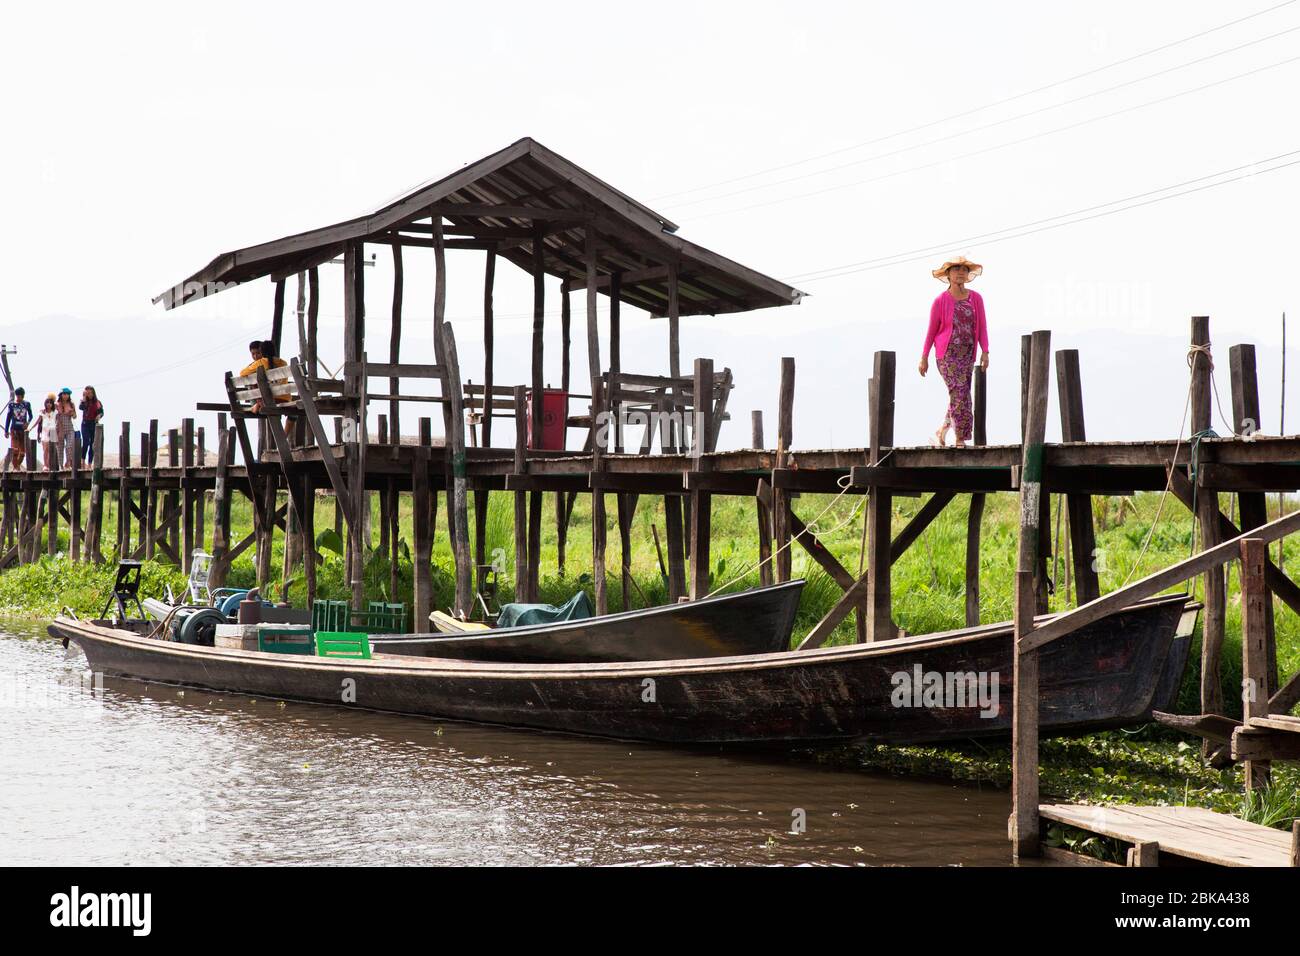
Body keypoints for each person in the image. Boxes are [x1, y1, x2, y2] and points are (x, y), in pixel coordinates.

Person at [918, 256, 990, 448]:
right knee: (960, 393)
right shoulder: (940, 301)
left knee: (960, 394)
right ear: (948, 275)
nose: (960, 272)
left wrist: (985, 351)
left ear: (968, 275)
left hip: (967, 355)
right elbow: (931, 331)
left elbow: (982, 326)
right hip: (947, 356)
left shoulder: (976, 298)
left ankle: (942, 431)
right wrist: (924, 357)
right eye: (956, 269)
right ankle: (960, 437)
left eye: (964, 269)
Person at [3, 387, 33, 470]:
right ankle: (15, 467)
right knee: (15, 449)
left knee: (23, 451)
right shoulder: (12, 404)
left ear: (23, 396)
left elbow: (31, 416)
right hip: (14, 430)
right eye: (17, 396)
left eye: (20, 396)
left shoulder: (27, 404)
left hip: (23, 430)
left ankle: (18, 465)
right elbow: (8, 418)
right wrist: (6, 430)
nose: (18, 398)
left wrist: (28, 423)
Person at [79, 386, 104, 464]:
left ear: (93, 393)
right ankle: (82, 460)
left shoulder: (97, 402)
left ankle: (90, 463)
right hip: (85, 424)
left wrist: (99, 416)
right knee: (86, 442)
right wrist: (84, 398)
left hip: (94, 424)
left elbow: (101, 412)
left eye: (90, 393)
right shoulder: (84, 401)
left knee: (93, 444)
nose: (89, 395)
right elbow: (81, 407)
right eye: (87, 393)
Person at [36, 393, 60, 471]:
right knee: (45, 449)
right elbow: (38, 421)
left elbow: (58, 421)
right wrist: (30, 428)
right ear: (45, 403)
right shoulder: (42, 412)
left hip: (53, 431)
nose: (49, 404)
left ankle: (51, 464)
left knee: (52, 449)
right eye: (47, 402)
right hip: (44, 431)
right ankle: (45, 465)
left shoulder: (55, 411)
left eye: (51, 402)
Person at [56, 388, 77, 467]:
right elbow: (56, 417)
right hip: (59, 427)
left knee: (69, 446)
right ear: (61, 395)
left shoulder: (71, 404)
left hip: (69, 427)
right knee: (60, 448)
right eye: (64, 394)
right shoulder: (57, 404)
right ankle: (60, 466)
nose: (66, 396)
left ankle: (68, 462)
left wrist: (72, 413)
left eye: (67, 394)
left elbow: (75, 417)